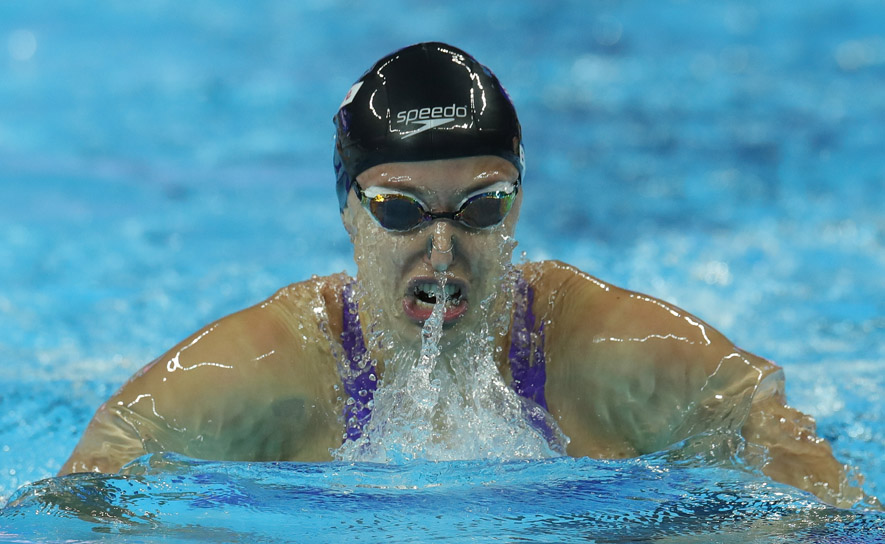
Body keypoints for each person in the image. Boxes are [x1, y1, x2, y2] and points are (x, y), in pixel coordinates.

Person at [60, 42, 867, 508]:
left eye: (480, 208)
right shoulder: (259, 373)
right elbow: (82, 499)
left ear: (517, 208)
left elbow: (800, 470)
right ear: (348, 210)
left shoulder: (610, 350)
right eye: (401, 211)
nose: (442, 251)